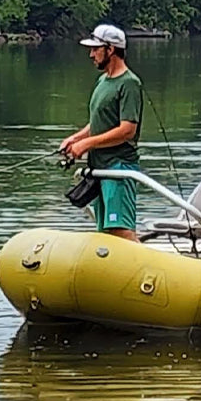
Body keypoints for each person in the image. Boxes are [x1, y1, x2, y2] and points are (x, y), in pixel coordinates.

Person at [61, 24, 143, 242]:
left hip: (119, 167)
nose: (91, 54)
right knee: (105, 233)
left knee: (121, 231)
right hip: (100, 168)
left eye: (96, 49)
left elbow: (127, 130)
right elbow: (99, 122)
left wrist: (86, 145)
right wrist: (76, 139)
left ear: (111, 50)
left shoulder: (130, 84)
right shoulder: (102, 81)